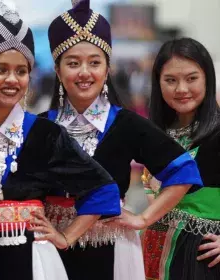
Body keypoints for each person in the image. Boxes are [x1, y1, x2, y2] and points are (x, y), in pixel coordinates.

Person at [0, 1, 121, 279]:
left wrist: (66, 236)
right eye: (1, 69)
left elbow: (103, 191)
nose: (12, 79)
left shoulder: (46, 134)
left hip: (31, 262)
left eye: (21, 71)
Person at [39, 1, 203, 279]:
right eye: (73, 63)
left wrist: (144, 218)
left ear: (107, 68)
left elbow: (183, 170)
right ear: (57, 70)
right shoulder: (41, 126)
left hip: (111, 247)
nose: (84, 72)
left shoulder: (126, 123)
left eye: (94, 62)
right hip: (51, 248)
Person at [143, 37, 220, 280]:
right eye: (170, 80)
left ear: (208, 78)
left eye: (191, 78)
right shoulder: (155, 133)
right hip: (153, 252)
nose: (181, 89)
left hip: (201, 259)